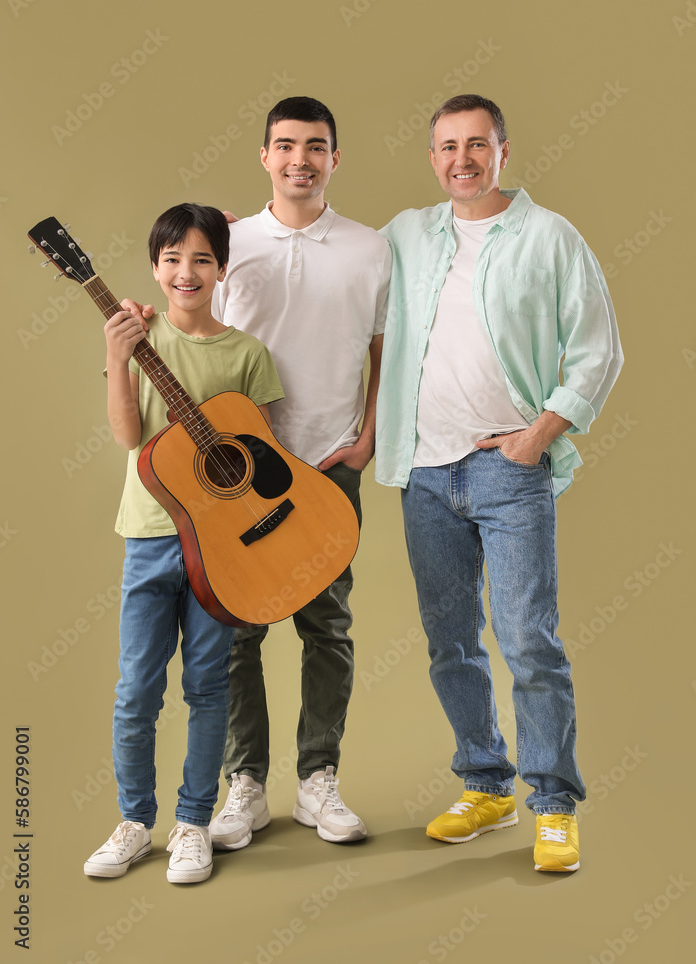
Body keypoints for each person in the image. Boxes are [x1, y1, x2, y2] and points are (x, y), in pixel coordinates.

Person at [124, 98, 391, 847]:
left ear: (335, 158)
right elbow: (187, 316)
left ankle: (317, 782)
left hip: (328, 462)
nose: (299, 158)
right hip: (231, 478)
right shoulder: (227, 240)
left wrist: (367, 438)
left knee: (327, 626)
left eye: (315, 146)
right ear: (264, 156)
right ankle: (245, 783)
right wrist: (137, 329)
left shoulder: (372, 249)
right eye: (284, 145)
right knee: (236, 633)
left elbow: (382, 352)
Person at [375, 94, 623, 873]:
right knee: (451, 643)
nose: (461, 160)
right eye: (447, 147)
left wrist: (538, 437)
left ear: (504, 152)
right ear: (432, 157)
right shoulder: (406, 235)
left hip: (509, 471)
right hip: (423, 470)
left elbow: (599, 350)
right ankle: (485, 783)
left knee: (527, 640)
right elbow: (326, 268)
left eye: (476, 145)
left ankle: (552, 802)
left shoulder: (551, 238)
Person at [83, 204, 283, 884]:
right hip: (148, 536)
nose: (186, 271)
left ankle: (193, 823)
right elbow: (128, 436)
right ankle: (135, 823)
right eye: (172, 259)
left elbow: (263, 461)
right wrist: (117, 359)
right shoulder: (139, 338)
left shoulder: (248, 355)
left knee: (206, 689)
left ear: (222, 269)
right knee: (136, 690)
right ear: (154, 268)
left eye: (202, 258)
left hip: (222, 551)